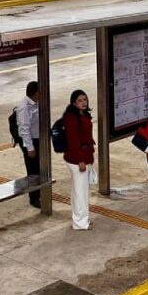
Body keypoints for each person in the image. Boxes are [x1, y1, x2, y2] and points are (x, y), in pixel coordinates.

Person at [63, 90, 95, 230]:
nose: (83, 102)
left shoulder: (83, 114)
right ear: (73, 102)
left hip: (84, 156)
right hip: (77, 159)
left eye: (85, 100)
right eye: (80, 100)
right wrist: (81, 160)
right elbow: (73, 140)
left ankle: (83, 218)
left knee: (80, 190)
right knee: (80, 192)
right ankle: (80, 222)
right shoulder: (71, 117)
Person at [16, 81, 41, 208]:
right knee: (33, 170)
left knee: (40, 168)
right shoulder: (24, 108)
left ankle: (40, 191)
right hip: (30, 141)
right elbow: (24, 129)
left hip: (38, 138)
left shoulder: (37, 103)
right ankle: (34, 198)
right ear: (36, 93)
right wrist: (30, 148)